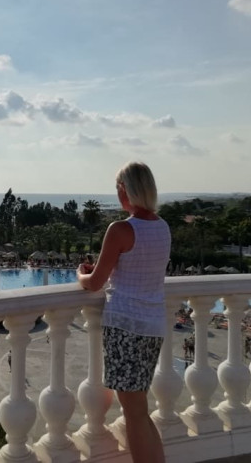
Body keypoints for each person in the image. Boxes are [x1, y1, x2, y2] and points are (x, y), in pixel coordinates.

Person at [77, 161, 170, 463]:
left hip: (125, 327)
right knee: (139, 410)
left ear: (124, 190)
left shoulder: (120, 229)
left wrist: (80, 274)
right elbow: (138, 266)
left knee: (134, 413)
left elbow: (94, 283)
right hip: (152, 326)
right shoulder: (162, 227)